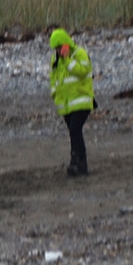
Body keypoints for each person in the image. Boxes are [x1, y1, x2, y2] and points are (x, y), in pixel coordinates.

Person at [49, 28, 95, 176]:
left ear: (66, 44)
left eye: (59, 46)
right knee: (73, 133)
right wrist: (54, 93)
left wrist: (67, 59)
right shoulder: (55, 59)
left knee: (75, 130)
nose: (58, 50)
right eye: (55, 48)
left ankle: (81, 163)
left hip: (81, 101)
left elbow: (83, 71)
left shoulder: (79, 54)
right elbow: (54, 78)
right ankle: (76, 163)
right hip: (66, 103)